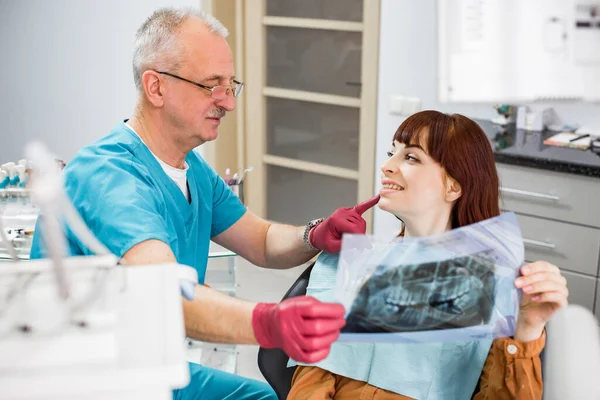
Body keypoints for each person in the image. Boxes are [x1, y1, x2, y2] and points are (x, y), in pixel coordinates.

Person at [28, 7, 378, 400]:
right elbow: (164, 296)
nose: (228, 103)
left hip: (150, 370)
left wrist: (314, 234)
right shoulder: (109, 177)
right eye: (211, 86)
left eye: (231, 86)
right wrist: (271, 323)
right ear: (156, 87)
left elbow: (260, 241)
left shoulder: (190, 167)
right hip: (91, 383)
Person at [287, 111, 569, 400]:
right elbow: (311, 381)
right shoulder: (352, 265)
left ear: (453, 186)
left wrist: (528, 327)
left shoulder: (493, 288)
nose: (386, 166)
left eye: (411, 158)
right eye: (391, 153)